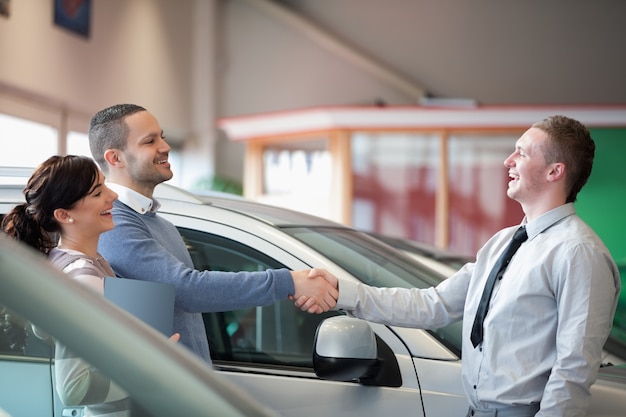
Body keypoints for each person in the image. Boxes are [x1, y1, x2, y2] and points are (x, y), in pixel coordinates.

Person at [298, 115, 621, 417]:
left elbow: (575, 365)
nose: (508, 161)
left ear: (555, 171)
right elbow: (433, 305)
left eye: (521, 153)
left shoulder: (579, 253)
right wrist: (343, 292)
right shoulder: (504, 243)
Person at [87, 103, 338, 363]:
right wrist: (289, 281)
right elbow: (186, 290)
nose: (165, 146)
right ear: (114, 158)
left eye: (162, 136)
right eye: (150, 141)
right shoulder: (113, 224)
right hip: (154, 395)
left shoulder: (162, 226)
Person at [1, 155, 175, 416]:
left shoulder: (64, 262)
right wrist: (151, 372)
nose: (112, 195)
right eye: (97, 192)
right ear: (64, 215)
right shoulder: (83, 280)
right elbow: (74, 388)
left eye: (105, 185)